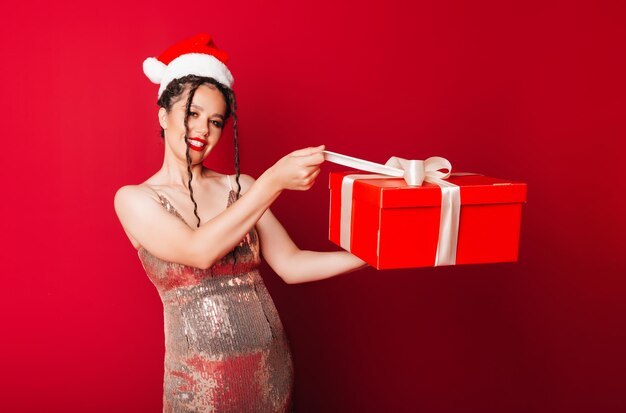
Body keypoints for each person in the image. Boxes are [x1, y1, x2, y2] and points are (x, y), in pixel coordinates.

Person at [114, 33, 366, 412]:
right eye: (192, 113)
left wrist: (376, 251)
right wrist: (273, 182)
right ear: (163, 114)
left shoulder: (241, 186)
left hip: (270, 371)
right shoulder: (134, 199)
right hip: (198, 384)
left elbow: (293, 265)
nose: (203, 130)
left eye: (215, 121)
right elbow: (198, 251)